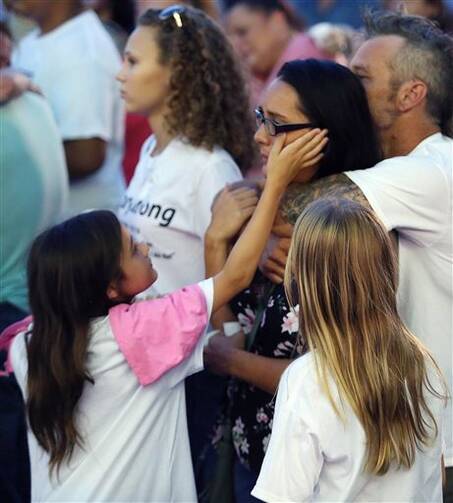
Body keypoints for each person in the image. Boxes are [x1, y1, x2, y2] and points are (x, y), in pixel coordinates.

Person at [7, 131, 324, 502]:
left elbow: (229, 339)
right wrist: (275, 186)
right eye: (132, 249)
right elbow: (236, 277)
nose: (144, 246)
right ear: (110, 287)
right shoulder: (146, 330)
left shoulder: (26, 341)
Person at [248, 10, 453, 499]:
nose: (346, 84)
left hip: (433, 444)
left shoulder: (432, 171)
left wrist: (252, 204)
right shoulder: (401, 168)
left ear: (411, 94)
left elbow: (293, 211)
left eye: (360, 77)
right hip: (400, 426)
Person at [203, 58, 381, 501]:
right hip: (248, 450)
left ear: (326, 134)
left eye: (278, 125)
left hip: (311, 467)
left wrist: (232, 363)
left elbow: (338, 378)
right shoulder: (256, 207)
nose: (260, 136)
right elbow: (229, 331)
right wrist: (214, 243)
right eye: (261, 117)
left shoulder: (345, 234)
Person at [251, 198, 447, 502]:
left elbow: (282, 496)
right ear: (386, 271)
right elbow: (435, 476)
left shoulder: (308, 380)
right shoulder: (424, 363)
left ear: (305, 280)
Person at [11, 0, 125, 218]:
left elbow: (86, 156)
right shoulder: (33, 40)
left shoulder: (84, 51)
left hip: (82, 234)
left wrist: (12, 168)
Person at [224, 0, 333, 106]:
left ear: (277, 21)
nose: (234, 45)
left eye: (242, 32)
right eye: (230, 37)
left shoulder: (304, 57)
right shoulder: (257, 72)